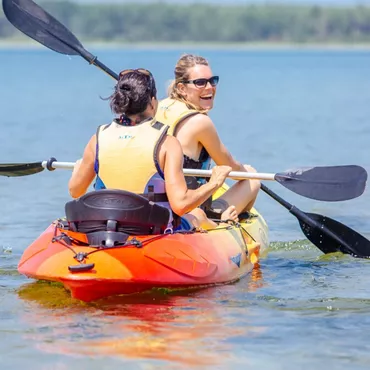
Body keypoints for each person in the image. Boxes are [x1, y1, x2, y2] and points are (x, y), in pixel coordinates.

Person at [68, 68, 239, 231]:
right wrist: (215, 182)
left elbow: (75, 191)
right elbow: (180, 205)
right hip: (151, 230)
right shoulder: (166, 143)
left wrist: (78, 171)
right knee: (197, 215)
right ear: (152, 102)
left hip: (106, 225)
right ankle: (224, 224)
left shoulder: (98, 138)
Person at [155, 54, 260, 220]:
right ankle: (228, 224)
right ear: (181, 88)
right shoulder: (200, 122)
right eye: (200, 82)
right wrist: (246, 171)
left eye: (213, 81)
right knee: (252, 179)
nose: (210, 87)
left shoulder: (158, 107)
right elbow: (230, 167)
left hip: (156, 202)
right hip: (190, 207)